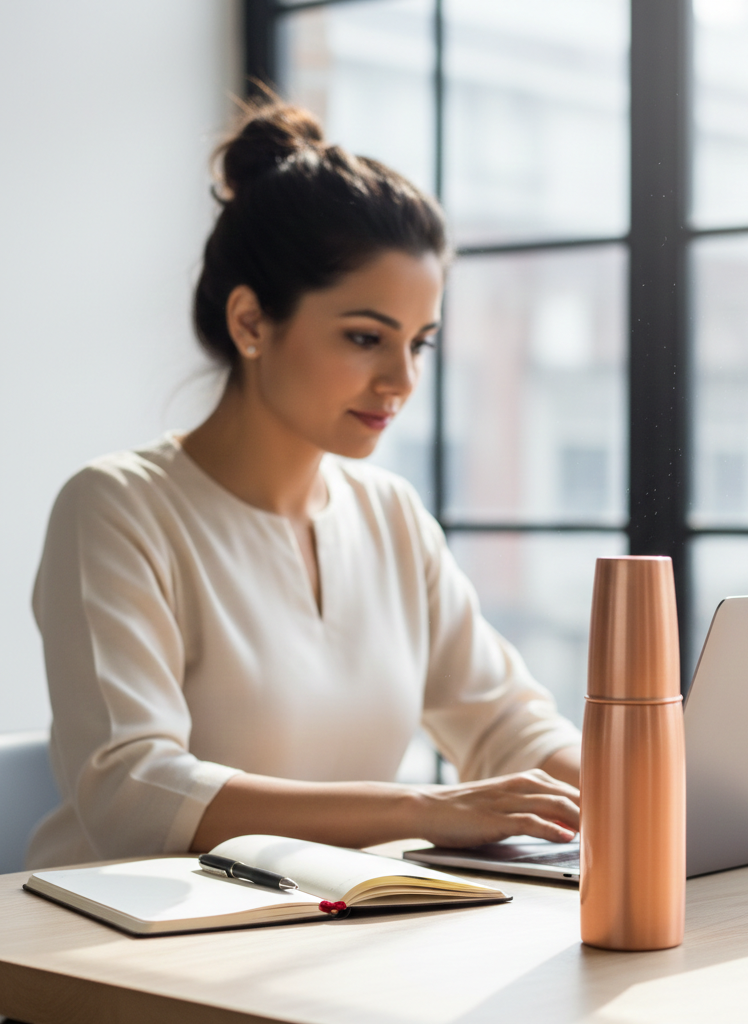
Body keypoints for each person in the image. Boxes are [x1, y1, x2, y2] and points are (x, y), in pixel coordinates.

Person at [28, 100, 581, 869]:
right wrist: (425, 810)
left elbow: (506, 727)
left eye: (419, 344)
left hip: (323, 933)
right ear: (251, 323)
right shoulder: (117, 510)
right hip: (118, 955)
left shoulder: (391, 517)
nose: (401, 380)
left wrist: (665, 796)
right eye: (365, 338)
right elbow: (133, 793)